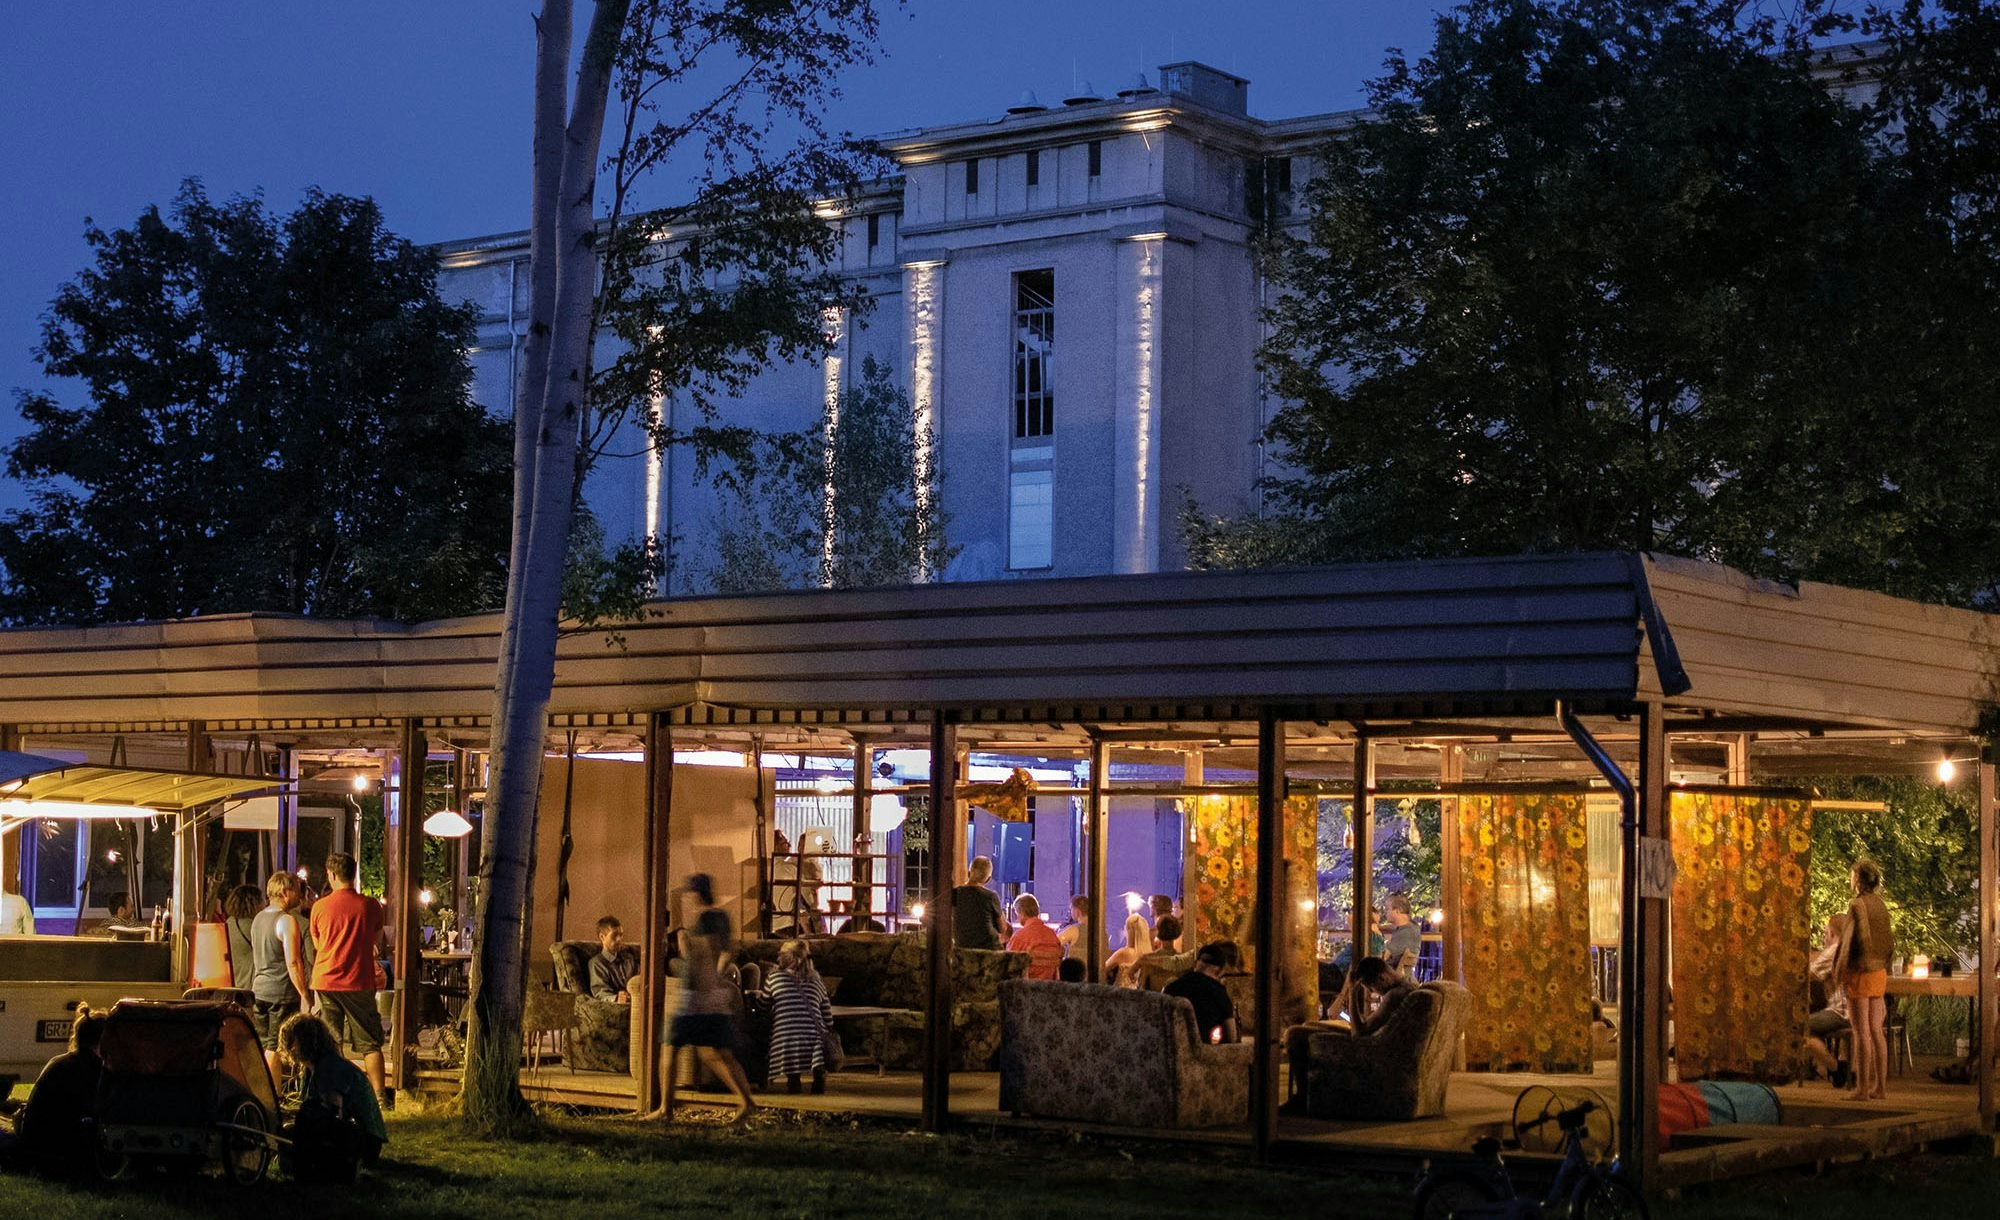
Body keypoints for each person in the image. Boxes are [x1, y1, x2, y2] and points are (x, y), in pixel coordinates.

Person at [653, 873, 756, 1125]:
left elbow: (699, 955)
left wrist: (682, 944)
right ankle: (747, 1101)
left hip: (694, 996)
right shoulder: (722, 917)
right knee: (714, 1052)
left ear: (696, 894)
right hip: (712, 994)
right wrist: (718, 979)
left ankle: (665, 1108)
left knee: (669, 1047)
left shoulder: (703, 921)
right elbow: (726, 951)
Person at [308, 851, 388, 1109]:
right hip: (358, 979)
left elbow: (318, 943)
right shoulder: (370, 906)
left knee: (331, 1041)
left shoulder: (319, 907)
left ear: (331, 875)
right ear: (353, 874)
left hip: (326, 979)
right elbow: (375, 942)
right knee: (369, 1042)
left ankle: (334, 1096)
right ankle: (378, 1097)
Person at [277, 1012, 386, 1181]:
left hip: (363, 1140)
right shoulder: (311, 1068)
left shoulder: (330, 1067)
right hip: (349, 1132)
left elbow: (334, 1110)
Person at [12, 1005, 109, 1178]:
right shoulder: (92, 1069)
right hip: (57, 1156)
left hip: (35, 1150)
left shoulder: (60, 1062)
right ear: (103, 1041)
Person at [1838, 858, 1893, 1101]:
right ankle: (1880, 1087)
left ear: (1858, 880)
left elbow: (1847, 942)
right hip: (1879, 972)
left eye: (1853, 876)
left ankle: (1862, 1088)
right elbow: (1890, 941)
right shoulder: (1881, 905)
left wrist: (1838, 970)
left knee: (1861, 1033)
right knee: (1876, 1030)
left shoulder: (1857, 905)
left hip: (1860, 972)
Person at [251, 871, 314, 1077]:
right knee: (275, 1047)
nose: (299, 895)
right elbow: (293, 962)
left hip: (259, 990)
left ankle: (266, 1094)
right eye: (296, 889)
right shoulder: (286, 921)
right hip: (281, 992)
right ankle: (271, 1098)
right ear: (285, 892)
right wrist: (304, 994)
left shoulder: (258, 919)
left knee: (263, 1045)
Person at [764, 938, 835, 1095]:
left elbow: (765, 1004)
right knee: (816, 1036)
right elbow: (826, 1011)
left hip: (786, 1034)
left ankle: (793, 1080)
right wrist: (829, 1027)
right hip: (814, 1034)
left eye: (781, 953)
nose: (778, 957)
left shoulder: (774, 978)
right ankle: (818, 1075)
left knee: (785, 1033)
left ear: (789, 957)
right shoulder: (816, 980)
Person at [1807, 913, 1853, 1087]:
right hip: (1858, 1010)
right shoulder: (1851, 950)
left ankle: (1835, 1068)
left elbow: (1807, 975)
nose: (1824, 938)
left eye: (1825, 933)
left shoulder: (1833, 951)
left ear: (1833, 934)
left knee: (1800, 1027)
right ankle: (1844, 1065)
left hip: (1840, 1011)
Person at [1165, 941, 1241, 1044]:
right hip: (1206, 1052)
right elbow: (1232, 1037)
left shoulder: (1171, 987)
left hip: (1172, 1050)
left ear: (1196, 964)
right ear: (1220, 970)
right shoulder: (1219, 993)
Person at [1348, 956, 1416, 1037]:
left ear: (1382, 978)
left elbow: (1358, 1034)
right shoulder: (1409, 987)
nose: (1372, 992)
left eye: (1371, 988)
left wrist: (1352, 994)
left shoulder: (1394, 996)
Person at [951, 855, 1006, 949]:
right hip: (989, 951)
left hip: (962, 949)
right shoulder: (991, 897)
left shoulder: (954, 894)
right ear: (988, 879)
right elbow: (1002, 928)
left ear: (968, 873)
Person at [1007, 893, 1064, 980]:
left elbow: (1008, 965)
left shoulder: (1019, 937)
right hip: (1049, 987)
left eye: (1017, 914)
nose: (1017, 918)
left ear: (1021, 913)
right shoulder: (1052, 935)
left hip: (1026, 987)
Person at [223, 883, 263, 990]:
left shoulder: (228, 923)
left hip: (230, 985)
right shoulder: (254, 927)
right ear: (254, 903)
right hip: (248, 986)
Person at [589, 914, 635, 1003]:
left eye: (621, 935)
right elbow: (600, 993)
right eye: (614, 935)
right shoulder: (596, 963)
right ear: (602, 937)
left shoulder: (629, 958)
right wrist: (617, 998)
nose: (619, 939)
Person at [1103, 913, 1154, 987]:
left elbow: (1102, 969)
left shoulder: (1124, 953)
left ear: (1130, 931)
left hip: (1121, 994)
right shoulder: (1149, 955)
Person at [1379, 895, 1422, 974]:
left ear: (1397, 911)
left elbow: (1382, 957)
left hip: (1392, 979)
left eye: (1387, 909)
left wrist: (1377, 934)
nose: (1385, 913)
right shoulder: (1413, 927)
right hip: (1403, 977)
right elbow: (1393, 927)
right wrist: (1380, 927)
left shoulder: (1405, 933)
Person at [1057, 894, 1094, 964]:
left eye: (1071, 909)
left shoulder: (1074, 930)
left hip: (1075, 972)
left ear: (1077, 912)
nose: (1070, 912)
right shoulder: (1100, 931)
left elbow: (1055, 942)